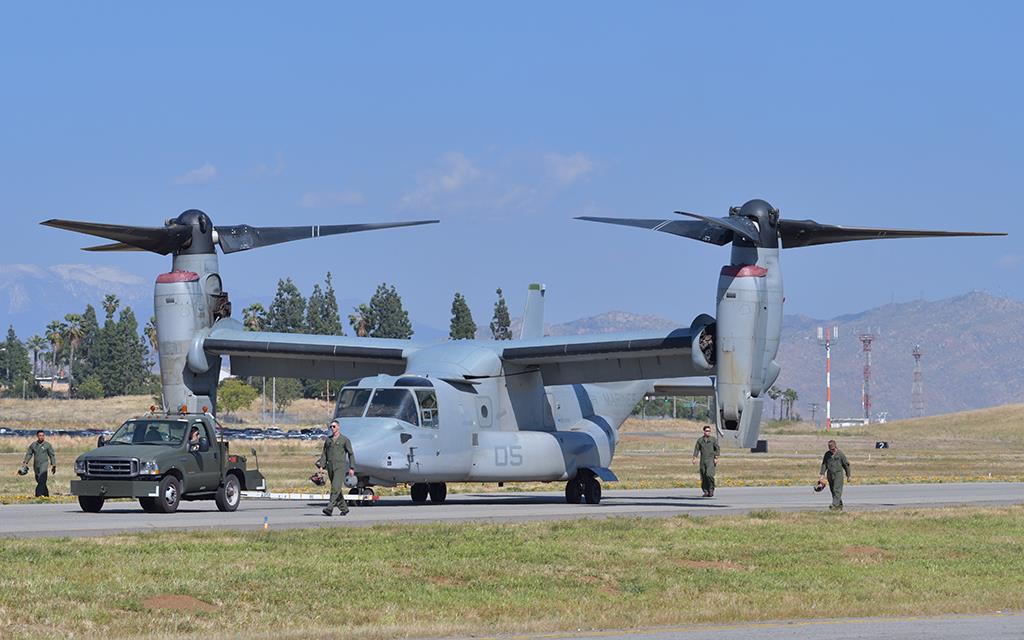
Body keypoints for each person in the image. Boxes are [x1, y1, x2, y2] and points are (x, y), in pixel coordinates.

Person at [317, 420, 355, 516]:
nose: (332, 428)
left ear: (338, 427)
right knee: (337, 488)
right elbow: (324, 454)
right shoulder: (328, 440)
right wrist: (321, 466)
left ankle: (329, 508)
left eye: (334, 426)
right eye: (331, 427)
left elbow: (351, 454)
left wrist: (352, 467)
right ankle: (344, 508)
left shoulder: (344, 440)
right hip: (330, 466)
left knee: (335, 487)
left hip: (340, 467)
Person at [819, 439, 851, 511]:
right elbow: (824, 465)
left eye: (833, 449)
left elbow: (846, 465)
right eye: (830, 449)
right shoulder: (827, 454)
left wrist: (848, 475)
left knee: (837, 490)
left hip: (838, 474)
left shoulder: (840, 454)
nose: (832, 451)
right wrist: (822, 475)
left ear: (835, 447)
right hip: (830, 474)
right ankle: (839, 505)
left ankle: (834, 505)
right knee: (832, 490)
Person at [22, 430, 56, 497]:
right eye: (40, 436)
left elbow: (51, 455)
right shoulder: (34, 445)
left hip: (44, 464)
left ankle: (38, 494)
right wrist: (25, 462)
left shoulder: (47, 445)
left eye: (43, 436)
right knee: (39, 480)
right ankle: (46, 495)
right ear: (37, 436)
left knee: (42, 479)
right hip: (36, 465)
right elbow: (29, 453)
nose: (41, 437)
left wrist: (53, 465)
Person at [692, 425, 720, 497]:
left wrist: (716, 458)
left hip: (710, 460)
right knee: (703, 476)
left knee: (709, 475)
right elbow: (696, 449)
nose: (708, 432)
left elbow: (717, 448)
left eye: (709, 431)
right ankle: (706, 491)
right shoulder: (700, 440)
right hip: (703, 460)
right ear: (704, 431)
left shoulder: (713, 440)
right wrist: (694, 458)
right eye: (707, 431)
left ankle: (711, 490)